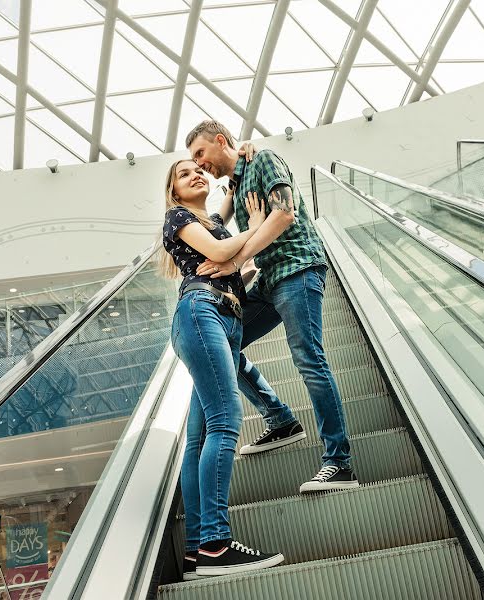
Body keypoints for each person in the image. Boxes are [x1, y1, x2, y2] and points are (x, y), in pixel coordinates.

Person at [186, 120, 359, 493]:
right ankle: (280, 419)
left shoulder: (264, 160)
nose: (200, 164)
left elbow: (284, 213)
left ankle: (339, 463)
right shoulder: (240, 177)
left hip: (297, 268)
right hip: (268, 278)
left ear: (220, 141)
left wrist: (234, 263)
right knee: (222, 348)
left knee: (309, 360)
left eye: (200, 153)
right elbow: (220, 222)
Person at [159, 158, 285, 578]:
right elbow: (218, 252)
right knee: (226, 420)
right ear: (174, 191)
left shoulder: (211, 219)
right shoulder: (177, 217)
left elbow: (230, 187)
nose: (194, 174)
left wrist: (242, 151)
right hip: (202, 311)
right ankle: (216, 544)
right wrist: (257, 227)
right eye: (183, 173)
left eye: (198, 169)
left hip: (224, 318)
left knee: (198, 437)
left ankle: (197, 549)